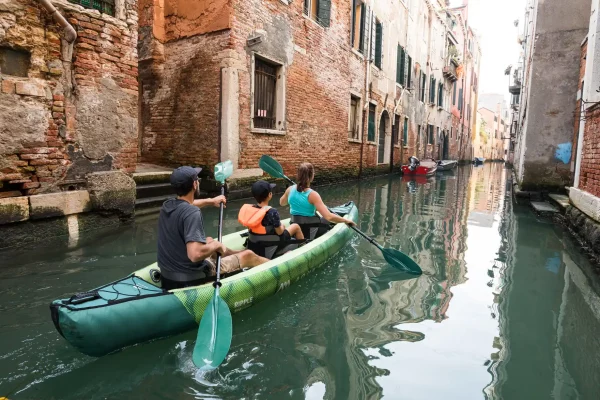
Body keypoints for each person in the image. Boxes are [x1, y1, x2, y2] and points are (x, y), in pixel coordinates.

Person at [157, 166, 269, 290]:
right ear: (195, 184)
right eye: (197, 180)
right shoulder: (192, 213)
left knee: (209, 240)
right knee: (248, 254)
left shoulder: (167, 205)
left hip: (168, 275)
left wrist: (211, 201)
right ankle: (272, 264)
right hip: (193, 277)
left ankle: (236, 254)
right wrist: (217, 246)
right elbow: (195, 254)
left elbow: (189, 203)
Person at [280, 162, 355, 239]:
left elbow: (282, 203)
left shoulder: (289, 190)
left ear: (298, 174)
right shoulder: (313, 195)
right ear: (312, 176)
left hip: (295, 226)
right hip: (309, 231)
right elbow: (329, 217)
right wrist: (345, 221)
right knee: (326, 219)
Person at [238, 180, 304, 259]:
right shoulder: (272, 212)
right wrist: (282, 226)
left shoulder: (251, 210)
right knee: (295, 226)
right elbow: (279, 232)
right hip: (271, 243)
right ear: (270, 195)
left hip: (255, 243)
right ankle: (304, 248)